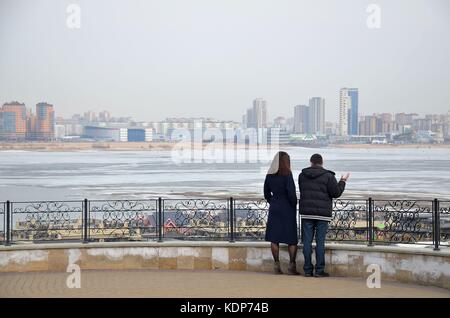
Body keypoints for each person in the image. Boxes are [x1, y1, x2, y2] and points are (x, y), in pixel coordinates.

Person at [298, 153, 349, 277]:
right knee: (320, 243)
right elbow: (335, 193)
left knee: (307, 242)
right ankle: (319, 270)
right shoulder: (328, 176)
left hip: (307, 213)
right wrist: (342, 181)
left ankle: (307, 270)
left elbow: (302, 190)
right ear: (322, 162)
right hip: (322, 214)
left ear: (311, 162)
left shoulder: (302, 175)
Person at [264, 151, 299, 275]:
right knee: (292, 239)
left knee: (274, 238)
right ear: (286, 162)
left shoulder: (269, 175)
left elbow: (266, 193)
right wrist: (294, 204)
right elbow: (291, 193)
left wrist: (273, 201)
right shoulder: (287, 175)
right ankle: (292, 266)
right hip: (287, 208)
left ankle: (276, 266)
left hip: (274, 207)